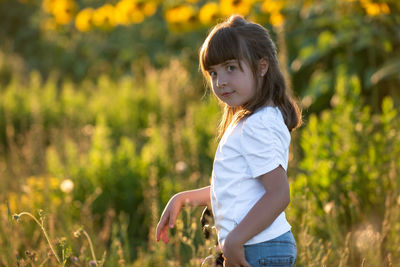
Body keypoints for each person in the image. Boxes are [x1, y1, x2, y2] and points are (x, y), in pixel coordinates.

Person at [156, 14, 302, 267]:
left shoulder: (258, 124)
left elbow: (279, 194)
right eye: (213, 73)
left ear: (262, 66)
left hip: (259, 248)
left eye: (231, 68)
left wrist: (234, 240)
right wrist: (183, 198)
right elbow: (239, 189)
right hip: (258, 246)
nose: (220, 81)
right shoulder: (253, 120)